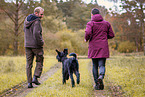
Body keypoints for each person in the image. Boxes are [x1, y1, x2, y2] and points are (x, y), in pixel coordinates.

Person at [85, 8, 115, 90]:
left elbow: (87, 33)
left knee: (94, 65)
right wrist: (104, 37)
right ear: (99, 14)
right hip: (103, 47)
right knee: (102, 64)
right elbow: (112, 35)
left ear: (92, 14)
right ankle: (101, 76)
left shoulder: (90, 24)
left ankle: (97, 84)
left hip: (93, 47)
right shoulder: (106, 24)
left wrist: (86, 39)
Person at [24, 7, 44, 88]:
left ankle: (29, 83)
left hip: (27, 45)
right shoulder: (37, 21)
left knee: (29, 64)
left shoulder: (26, 20)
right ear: (36, 13)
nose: (42, 16)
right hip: (36, 46)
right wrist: (41, 43)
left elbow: (24, 30)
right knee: (40, 60)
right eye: (41, 14)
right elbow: (36, 34)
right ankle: (35, 77)